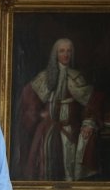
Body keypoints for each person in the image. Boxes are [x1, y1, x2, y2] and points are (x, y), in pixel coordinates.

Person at [13, 38, 104, 181]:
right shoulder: (44, 77)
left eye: (69, 51)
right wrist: (39, 114)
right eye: (62, 51)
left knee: (69, 170)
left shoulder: (77, 78)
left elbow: (91, 104)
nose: (65, 54)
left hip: (70, 129)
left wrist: (88, 123)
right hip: (46, 130)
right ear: (55, 54)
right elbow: (27, 100)